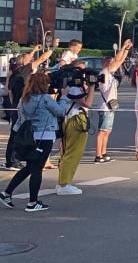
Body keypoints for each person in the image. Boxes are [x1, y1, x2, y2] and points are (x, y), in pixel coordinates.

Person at [1, 72, 72, 212]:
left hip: (29, 136)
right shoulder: (45, 98)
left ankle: (7, 193)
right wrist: (63, 97)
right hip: (44, 136)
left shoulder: (24, 99)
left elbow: (21, 119)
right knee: (37, 169)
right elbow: (61, 112)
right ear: (43, 84)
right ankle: (33, 202)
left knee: (29, 167)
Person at [3, 44, 56, 171]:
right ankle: (13, 161)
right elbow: (42, 59)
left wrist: (33, 51)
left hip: (16, 107)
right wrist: (53, 47)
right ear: (25, 63)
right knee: (20, 135)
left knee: (16, 134)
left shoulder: (15, 73)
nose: (33, 61)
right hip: (22, 108)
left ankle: (11, 160)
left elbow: (7, 92)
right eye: (30, 59)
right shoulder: (24, 71)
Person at [56, 60, 94, 196]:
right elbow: (88, 103)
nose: (83, 73)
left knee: (70, 152)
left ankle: (63, 181)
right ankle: (64, 184)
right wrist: (92, 87)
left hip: (74, 119)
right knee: (72, 153)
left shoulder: (76, 85)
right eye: (80, 70)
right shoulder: (73, 87)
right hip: (75, 120)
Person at [93, 40, 133, 164]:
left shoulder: (110, 73)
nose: (113, 64)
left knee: (107, 131)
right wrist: (123, 47)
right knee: (103, 131)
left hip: (110, 106)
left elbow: (120, 61)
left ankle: (103, 152)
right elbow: (117, 60)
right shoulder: (104, 72)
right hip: (105, 106)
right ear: (105, 63)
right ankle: (98, 154)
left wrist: (126, 50)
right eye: (110, 62)